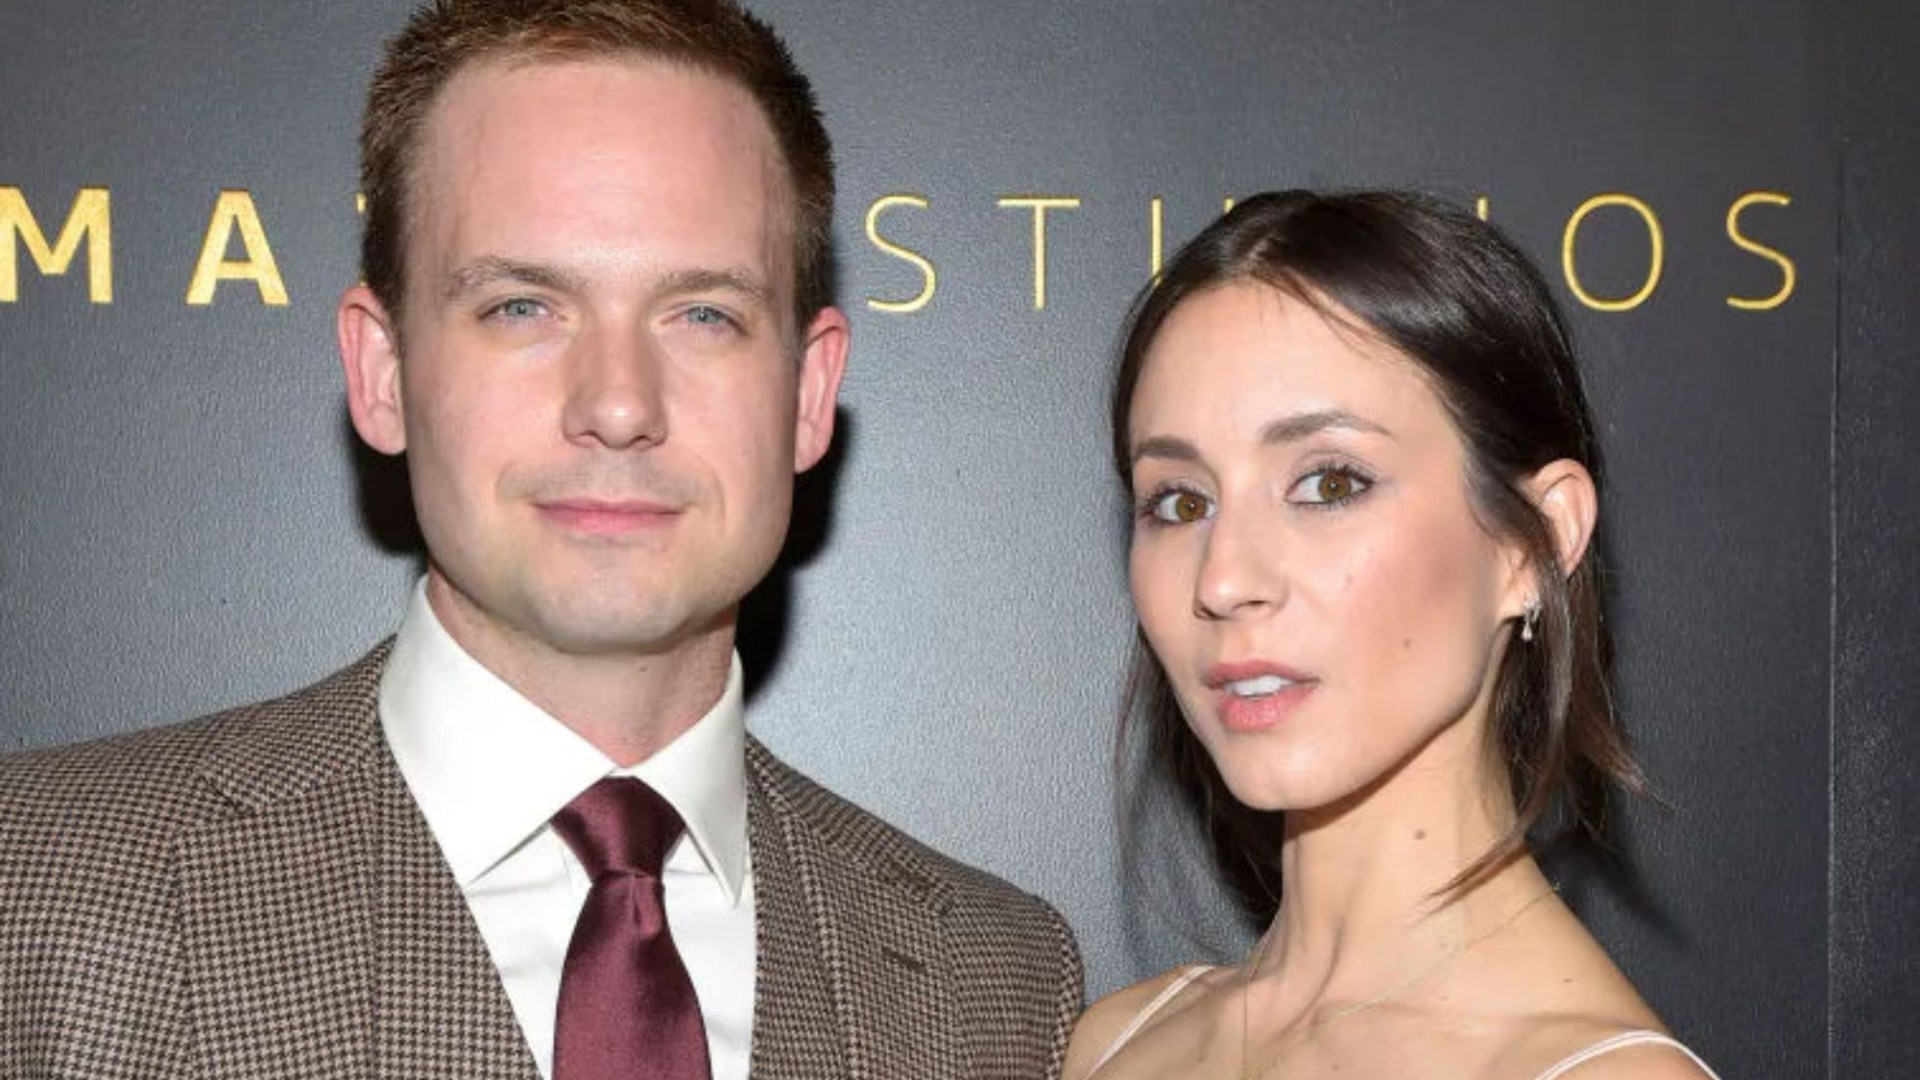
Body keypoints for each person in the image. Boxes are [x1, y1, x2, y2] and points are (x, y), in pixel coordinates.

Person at [0, 2, 1081, 1078]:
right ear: (383, 373)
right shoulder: (37, 893)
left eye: (703, 314)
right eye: (523, 307)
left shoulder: (999, 985)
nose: (617, 405)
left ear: (807, 393)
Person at [1063, 191, 1719, 1080]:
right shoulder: (1113, 1046)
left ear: (1533, 541)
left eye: (1330, 484)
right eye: (1180, 502)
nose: (1222, 579)